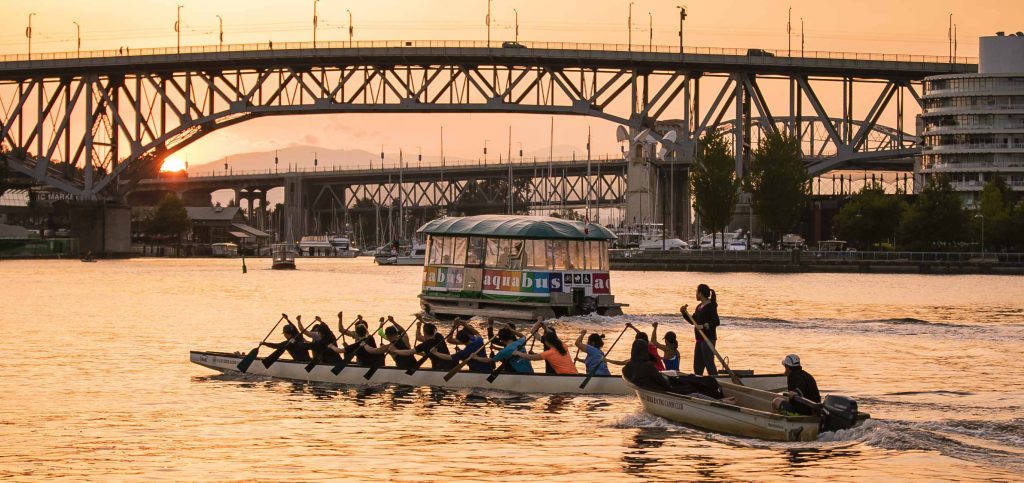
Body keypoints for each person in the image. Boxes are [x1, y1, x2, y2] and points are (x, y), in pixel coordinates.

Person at [681, 283, 720, 376]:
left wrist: (704, 326)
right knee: (697, 366)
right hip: (699, 340)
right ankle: (699, 383)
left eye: (696, 292)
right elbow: (693, 321)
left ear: (700, 293)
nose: (696, 294)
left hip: (708, 339)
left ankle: (717, 383)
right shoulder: (699, 307)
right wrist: (684, 313)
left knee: (709, 364)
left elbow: (716, 321)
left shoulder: (711, 306)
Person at [513, 321, 578, 375]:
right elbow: (553, 335)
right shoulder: (563, 346)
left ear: (547, 342)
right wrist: (545, 327)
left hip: (564, 376)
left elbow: (530, 357)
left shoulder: (548, 353)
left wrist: (518, 353)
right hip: (575, 374)